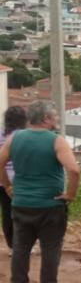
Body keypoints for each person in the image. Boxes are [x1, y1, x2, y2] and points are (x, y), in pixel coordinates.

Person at [0, 100, 81, 283]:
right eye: (54, 116)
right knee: (50, 248)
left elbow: (0, 163)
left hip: (21, 202)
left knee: (20, 248)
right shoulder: (56, 141)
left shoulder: (14, 138)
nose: (56, 119)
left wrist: (8, 186)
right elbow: (74, 170)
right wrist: (70, 195)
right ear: (46, 119)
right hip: (50, 204)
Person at [0, 106, 27, 254]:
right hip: (19, 180)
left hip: (2, 179)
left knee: (7, 212)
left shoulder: (0, 134)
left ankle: (12, 247)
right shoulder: (24, 136)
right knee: (22, 214)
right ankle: (22, 246)